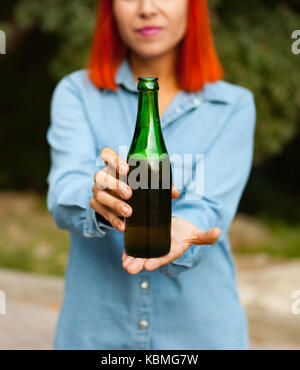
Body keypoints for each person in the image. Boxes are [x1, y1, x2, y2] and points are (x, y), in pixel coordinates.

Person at [46, 0, 256, 350]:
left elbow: (210, 204)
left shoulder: (233, 106)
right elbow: (63, 190)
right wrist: (98, 197)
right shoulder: (76, 93)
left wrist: (183, 228)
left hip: (200, 336)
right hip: (94, 335)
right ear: (109, 8)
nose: (146, 8)